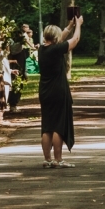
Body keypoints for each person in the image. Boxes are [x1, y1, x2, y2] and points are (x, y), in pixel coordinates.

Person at [39, 16, 84, 168]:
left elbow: (59, 39)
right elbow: (75, 40)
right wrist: (78, 25)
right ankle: (58, 160)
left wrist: (69, 27)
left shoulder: (42, 49)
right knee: (58, 125)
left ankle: (47, 159)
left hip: (44, 91)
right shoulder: (56, 49)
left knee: (47, 126)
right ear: (55, 37)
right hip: (58, 90)